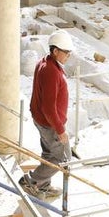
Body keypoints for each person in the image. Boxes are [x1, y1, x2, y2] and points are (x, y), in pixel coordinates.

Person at [19, 29, 74, 199]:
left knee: (49, 154)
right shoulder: (51, 71)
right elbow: (49, 107)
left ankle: (42, 185)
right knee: (62, 158)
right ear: (55, 51)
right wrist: (60, 130)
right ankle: (32, 182)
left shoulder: (46, 62)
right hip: (50, 123)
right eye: (66, 52)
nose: (68, 56)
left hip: (43, 120)